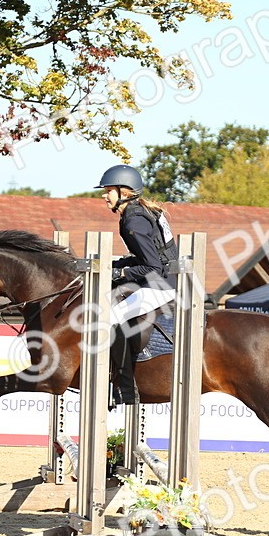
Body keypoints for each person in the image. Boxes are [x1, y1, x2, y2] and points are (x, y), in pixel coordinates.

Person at [97, 164, 178, 405]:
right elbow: (146, 257)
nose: (104, 195)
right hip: (162, 278)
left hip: (160, 284)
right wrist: (117, 264)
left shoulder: (133, 220)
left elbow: (152, 266)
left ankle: (125, 388)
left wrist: (121, 272)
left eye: (109, 191)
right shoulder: (140, 212)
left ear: (125, 191)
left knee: (111, 317)